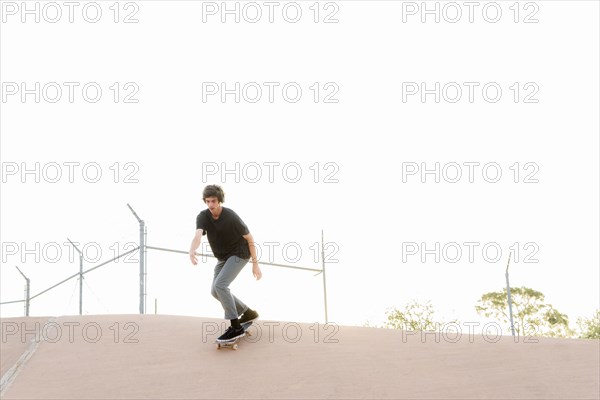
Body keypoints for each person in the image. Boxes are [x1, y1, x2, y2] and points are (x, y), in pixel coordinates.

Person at [189, 184, 262, 342]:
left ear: (220, 200)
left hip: (240, 253)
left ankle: (235, 327)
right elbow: (198, 235)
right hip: (223, 258)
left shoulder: (231, 216)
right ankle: (248, 312)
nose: (211, 205)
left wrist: (255, 264)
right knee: (215, 291)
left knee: (221, 285)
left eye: (214, 201)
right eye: (207, 201)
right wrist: (192, 249)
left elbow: (250, 238)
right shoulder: (203, 216)